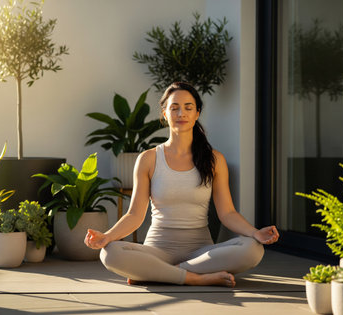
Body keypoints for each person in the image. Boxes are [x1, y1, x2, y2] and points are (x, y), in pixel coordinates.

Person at [84, 82, 279, 287]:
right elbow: (135, 215)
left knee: (253, 249)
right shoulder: (148, 159)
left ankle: (159, 274)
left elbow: (228, 213)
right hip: (157, 251)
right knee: (110, 253)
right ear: (165, 113)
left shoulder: (215, 160)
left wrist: (255, 233)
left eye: (188, 107)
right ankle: (195, 278)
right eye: (174, 107)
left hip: (202, 253)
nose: (181, 113)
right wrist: (107, 236)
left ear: (197, 113)